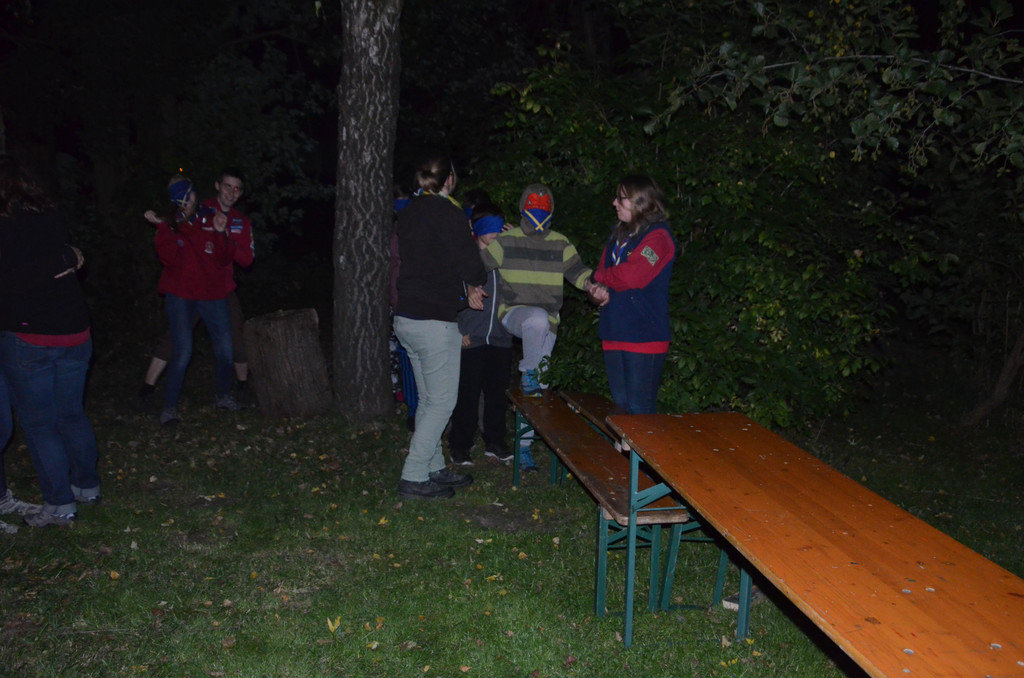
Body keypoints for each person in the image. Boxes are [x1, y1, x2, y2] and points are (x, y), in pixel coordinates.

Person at [0, 156, 99, 527]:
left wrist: (65, 258)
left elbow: (14, 280)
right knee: (70, 415)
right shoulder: (50, 215)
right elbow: (56, 262)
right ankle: (86, 487)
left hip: (32, 337)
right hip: (74, 331)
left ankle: (59, 505)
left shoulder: (7, 225)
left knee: (42, 424)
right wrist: (66, 257)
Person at [480, 182, 601, 470]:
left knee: (539, 387)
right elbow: (477, 264)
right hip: (514, 313)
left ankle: (524, 448)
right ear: (524, 207)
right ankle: (529, 371)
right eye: (534, 205)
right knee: (536, 322)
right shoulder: (508, 240)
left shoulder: (560, 242)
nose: (539, 211)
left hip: (550, 322)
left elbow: (576, 270)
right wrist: (482, 240)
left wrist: (592, 284)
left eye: (544, 206)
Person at [393, 153, 486, 500]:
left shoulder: (408, 212)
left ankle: (433, 467)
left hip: (407, 317)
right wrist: (476, 279)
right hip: (433, 321)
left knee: (430, 399)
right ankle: (414, 475)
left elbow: (432, 259)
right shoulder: (448, 212)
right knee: (442, 402)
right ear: (448, 179)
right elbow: (468, 262)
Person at [138, 169, 254, 408]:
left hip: (222, 289)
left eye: (237, 189)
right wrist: (163, 224)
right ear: (217, 185)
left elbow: (246, 259)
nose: (231, 193)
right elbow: (174, 236)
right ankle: (146, 390)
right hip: (190, 289)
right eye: (227, 186)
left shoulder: (241, 222)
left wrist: (224, 238)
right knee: (176, 340)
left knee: (235, 337)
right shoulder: (199, 208)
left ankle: (241, 387)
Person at [588, 174, 676, 414]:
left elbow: (632, 276)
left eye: (621, 198)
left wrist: (598, 278)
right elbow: (603, 275)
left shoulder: (658, 237)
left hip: (644, 335)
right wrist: (596, 292)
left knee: (640, 412)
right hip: (613, 330)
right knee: (621, 410)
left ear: (640, 201)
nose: (614, 203)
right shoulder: (616, 235)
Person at [447, 202, 514, 467]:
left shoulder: (507, 256)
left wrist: (515, 243)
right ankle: (460, 445)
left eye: (500, 226)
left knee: (497, 395)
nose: (496, 232)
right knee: (467, 394)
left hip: (501, 336)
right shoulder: (465, 257)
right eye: (490, 227)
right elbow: (449, 293)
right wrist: (458, 330)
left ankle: (495, 442)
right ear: (476, 228)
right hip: (470, 337)